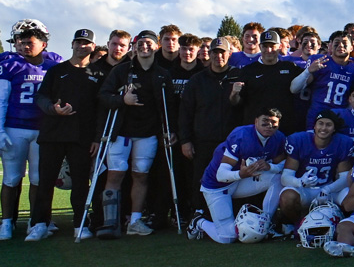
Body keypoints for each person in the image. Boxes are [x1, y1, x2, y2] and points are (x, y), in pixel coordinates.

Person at [96, 30, 174, 238]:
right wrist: (123, 100)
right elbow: (104, 96)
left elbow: (169, 106)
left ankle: (136, 220)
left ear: (156, 46)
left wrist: (169, 130)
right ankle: (110, 222)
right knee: (115, 174)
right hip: (121, 133)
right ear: (135, 46)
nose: (144, 47)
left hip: (148, 134)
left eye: (148, 43)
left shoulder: (162, 74)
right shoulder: (122, 71)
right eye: (140, 43)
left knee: (141, 176)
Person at [30, 28, 95, 241]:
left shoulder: (97, 74)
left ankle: (80, 224)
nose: (81, 46)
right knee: (45, 181)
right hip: (52, 135)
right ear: (72, 44)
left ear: (92, 47)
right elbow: (41, 98)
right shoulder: (56, 71)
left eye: (86, 43)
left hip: (80, 137)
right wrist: (53, 109)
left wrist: (95, 137)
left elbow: (101, 108)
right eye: (78, 42)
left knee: (79, 183)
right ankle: (40, 224)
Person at [0, 19, 62, 240]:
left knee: (38, 179)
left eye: (31, 42)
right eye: (22, 42)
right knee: (11, 178)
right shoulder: (9, 64)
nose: (26, 46)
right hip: (15, 127)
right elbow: (1, 100)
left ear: (43, 43)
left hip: (42, 129)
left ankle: (35, 222)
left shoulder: (54, 64)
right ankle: (6, 222)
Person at [187, 108, 287, 244]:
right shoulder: (241, 136)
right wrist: (241, 173)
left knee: (279, 178)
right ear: (256, 121)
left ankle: (266, 223)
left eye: (273, 123)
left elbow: (283, 166)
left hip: (242, 181)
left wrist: (270, 167)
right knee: (227, 237)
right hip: (218, 186)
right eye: (265, 121)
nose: (269, 126)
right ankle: (199, 221)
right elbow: (221, 175)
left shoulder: (277, 138)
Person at [179, 37, 242, 221]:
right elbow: (185, 113)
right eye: (215, 52)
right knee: (201, 179)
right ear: (209, 54)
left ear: (229, 54)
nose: (218, 56)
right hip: (203, 140)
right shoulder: (197, 80)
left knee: (233, 179)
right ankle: (199, 215)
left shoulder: (238, 76)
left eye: (222, 52)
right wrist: (185, 140)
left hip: (232, 142)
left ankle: (232, 216)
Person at [276, 109, 354, 228]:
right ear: (314, 126)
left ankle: (344, 224)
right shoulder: (299, 140)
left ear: (334, 128)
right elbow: (285, 177)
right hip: (305, 188)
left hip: (328, 188)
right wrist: (300, 182)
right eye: (321, 123)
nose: (324, 128)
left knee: (352, 196)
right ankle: (299, 225)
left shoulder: (342, 142)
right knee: (287, 197)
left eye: (328, 125)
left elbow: (345, 178)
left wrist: (328, 189)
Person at [231, 30, 305, 135]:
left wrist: (312, 69)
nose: (269, 50)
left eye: (272, 46)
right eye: (265, 46)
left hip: (284, 129)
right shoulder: (248, 70)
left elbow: (309, 77)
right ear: (260, 47)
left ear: (279, 46)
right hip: (255, 130)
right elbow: (236, 102)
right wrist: (234, 93)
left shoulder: (290, 68)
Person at [290, 31, 354, 128]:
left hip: (341, 117)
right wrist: (308, 71)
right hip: (317, 115)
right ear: (331, 46)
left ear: (351, 47)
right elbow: (294, 89)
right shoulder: (320, 61)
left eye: (344, 43)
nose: (340, 46)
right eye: (336, 43)